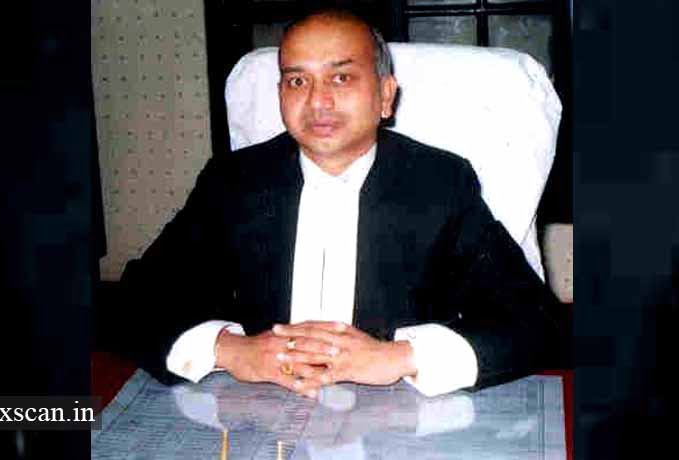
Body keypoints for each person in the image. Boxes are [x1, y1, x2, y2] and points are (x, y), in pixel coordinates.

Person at [118, 9, 569, 399]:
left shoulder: (439, 184)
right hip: (255, 412)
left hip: (402, 422)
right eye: (297, 81)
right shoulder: (233, 182)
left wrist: (399, 358)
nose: (318, 101)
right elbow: (134, 300)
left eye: (341, 77)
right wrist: (230, 350)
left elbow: (535, 321)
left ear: (385, 96)